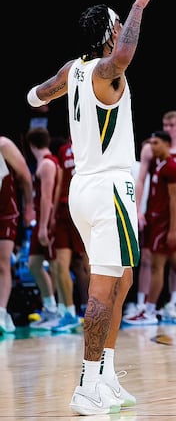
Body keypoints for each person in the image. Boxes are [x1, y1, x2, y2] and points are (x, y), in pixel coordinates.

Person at [26, 0, 161, 415]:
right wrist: (139, 5)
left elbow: (38, 95)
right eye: (118, 25)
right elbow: (124, 53)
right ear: (108, 35)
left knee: (120, 283)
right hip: (108, 188)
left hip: (84, 188)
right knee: (104, 290)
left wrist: (36, 94)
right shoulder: (106, 70)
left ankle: (105, 378)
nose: (123, 28)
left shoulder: (73, 70)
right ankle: (86, 384)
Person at [124, 131, 176, 325]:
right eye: (151, 143)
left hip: (167, 225)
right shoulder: (159, 165)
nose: (152, 147)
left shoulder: (172, 168)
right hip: (160, 223)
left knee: (156, 267)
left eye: (156, 143)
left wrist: (172, 230)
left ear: (167, 145)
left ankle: (150, 311)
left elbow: (175, 202)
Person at [24, 128, 61, 331]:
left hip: (46, 221)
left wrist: (44, 226)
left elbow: (47, 198)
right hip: (42, 220)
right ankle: (50, 307)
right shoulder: (45, 162)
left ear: (31, 145)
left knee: (56, 267)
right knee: (33, 264)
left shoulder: (47, 163)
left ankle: (61, 310)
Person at [50, 136, 87, 331]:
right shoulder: (64, 149)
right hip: (65, 210)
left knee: (84, 264)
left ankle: (92, 309)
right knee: (61, 264)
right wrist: (53, 213)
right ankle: (70, 313)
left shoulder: (92, 144)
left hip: (84, 209)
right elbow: (59, 181)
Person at [0, 136, 35, 334]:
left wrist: (29, 206)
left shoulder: (4, 145)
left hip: (6, 211)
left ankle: (1, 311)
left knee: (3, 263)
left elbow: (25, 176)